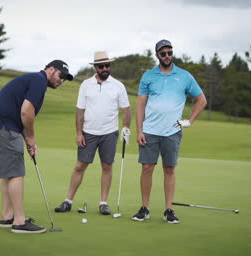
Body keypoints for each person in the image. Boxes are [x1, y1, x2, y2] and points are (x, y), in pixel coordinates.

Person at [0, 60, 73, 234]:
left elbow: (21, 115)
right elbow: (26, 111)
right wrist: (31, 137)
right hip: (2, 127)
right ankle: (19, 222)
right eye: (61, 75)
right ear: (51, 70)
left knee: (9, 172)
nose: (61, 81)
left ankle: (7, 216)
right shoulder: (38, 81)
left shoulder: (34, 80)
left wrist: (29, 141)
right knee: (16, 173)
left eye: (65, 79)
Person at [132, 40, 207, 224]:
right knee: (147, 168)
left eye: (169, 52)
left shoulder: (184, 76)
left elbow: (201, 100)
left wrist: (188, 121)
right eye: (163, 53)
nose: (167, 56)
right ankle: (145, 208)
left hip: (172, 131)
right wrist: (139, 130)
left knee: (169, 169)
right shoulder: (148, 76)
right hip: (149, 130)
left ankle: (168, 209)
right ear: (157, 55)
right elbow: (140, 104)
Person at [54, 51, 131, 215]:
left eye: (107, 65)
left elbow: (126, 109)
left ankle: (103, 203)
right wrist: (79, 133)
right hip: (88, 132)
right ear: (95, 67)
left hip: (109, 133)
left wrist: (126, 127)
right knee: (80, 166)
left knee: (107, 166)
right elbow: (80, 110)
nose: (105, 68)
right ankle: (68, 201)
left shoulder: (118, 86)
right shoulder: (86, 85)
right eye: (101, 66)